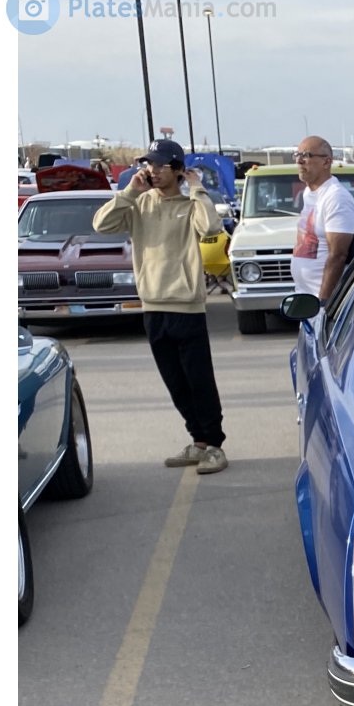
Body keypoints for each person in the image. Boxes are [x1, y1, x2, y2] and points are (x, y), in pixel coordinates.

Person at [92, 139, 228, 474]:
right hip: (152, 304)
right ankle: (198, 441)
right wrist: (129, 192)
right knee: (175, 383)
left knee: (199, 381)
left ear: (179, 170)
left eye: (161, 165)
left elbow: (211, 228)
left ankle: (214, 446)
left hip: (187, 306)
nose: (152, 170)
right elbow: (101, 225)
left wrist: (197, 189)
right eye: (148, 164)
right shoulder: (140, 202)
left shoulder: (190, 203)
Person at [289, 135, 354, 307]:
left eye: (306, 155)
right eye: (297, 155)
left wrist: (324, 304)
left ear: (326, 162)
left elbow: (338, 255)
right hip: (306, 297)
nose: (299, 161)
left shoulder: (336, 198)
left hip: (324, 303)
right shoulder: (309, 194)